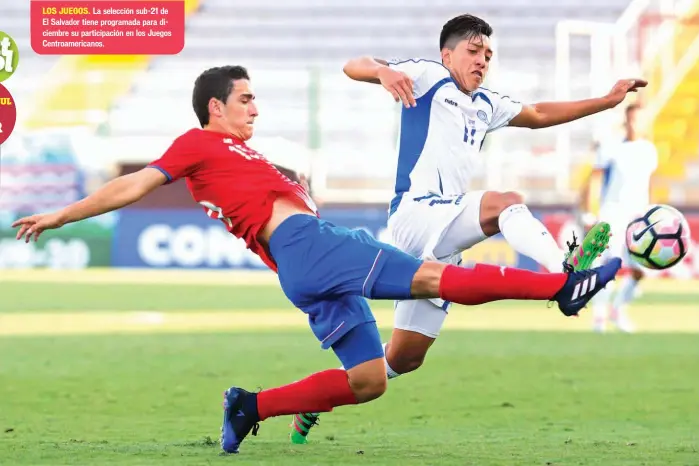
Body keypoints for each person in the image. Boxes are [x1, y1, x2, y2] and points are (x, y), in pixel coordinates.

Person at [12, 65, 622, 455]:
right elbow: (136, 184)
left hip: (302, 266)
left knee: (370, 380)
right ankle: (560, 289)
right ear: (215, 108)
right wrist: (62, 214)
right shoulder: (200, 143)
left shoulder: (253, 160)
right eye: (245, 99)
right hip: (311, 248)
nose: (255, 108)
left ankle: (250, 406)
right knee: (436, 277)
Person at [290, 13, 644, 444]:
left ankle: (312, 397)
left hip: (442, 231)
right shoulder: (426, 77)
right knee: (505, 204)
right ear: (447, 54)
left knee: (403, 359)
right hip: (416, 216)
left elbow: (536, 112)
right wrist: (383, 72)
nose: (482, 61)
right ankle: (565, 277)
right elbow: (354, 64)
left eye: (488, 55)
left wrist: (606, 101)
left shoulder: (486, 104)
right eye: (474, 51)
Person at [581, 103, 658, 332]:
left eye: (639, 120)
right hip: (612, 212)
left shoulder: (649, 150)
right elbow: (594, 180)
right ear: (626, 121)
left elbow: (649, 182)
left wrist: (651, 211)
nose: (635, 124)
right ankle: (599, 317)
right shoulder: (612, 147)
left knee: (642, 269)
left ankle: (618, 309)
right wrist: (590, 213)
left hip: (639, 217)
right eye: (632, 119)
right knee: (609, 264)